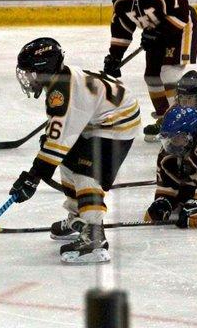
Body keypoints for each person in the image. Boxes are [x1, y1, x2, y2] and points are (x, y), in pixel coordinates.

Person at [9, 37, 141, 264]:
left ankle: (94, 236)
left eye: (31, 72)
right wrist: (39, 169)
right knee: (66, 157)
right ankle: (78, 216)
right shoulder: (59, 81)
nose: (28, 78)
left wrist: (33, 176)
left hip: (116, 125)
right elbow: (58, 140)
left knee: (86, 172)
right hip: (99, 120)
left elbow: (56, 144)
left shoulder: (62, 91)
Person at [102, 0, 197, 142]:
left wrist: (159, 33)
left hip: (180, 29)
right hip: (154, 35)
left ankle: (183, 122)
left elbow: (181, 13)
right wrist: (114, 57)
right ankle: (165, 118)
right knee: (151, 77)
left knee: (169, 73)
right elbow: (121, 31)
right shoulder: (121, 1)